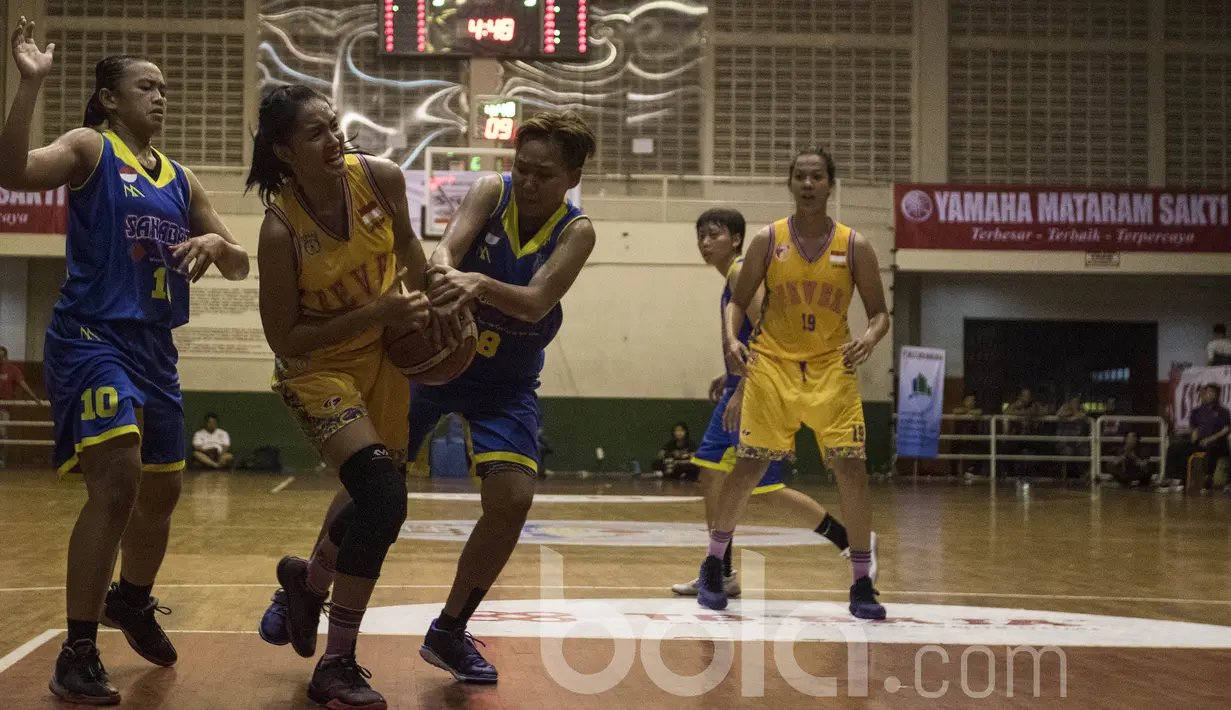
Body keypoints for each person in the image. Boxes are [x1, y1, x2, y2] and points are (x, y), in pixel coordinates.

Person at [0, 20, 250, 704]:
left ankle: (131, 599)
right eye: (146, 86)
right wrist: (29, 86)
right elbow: (12, 173)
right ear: (110, 99)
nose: (160, 96)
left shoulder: (181, 177)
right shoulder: (89, 147)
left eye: (164, 88)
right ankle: (77, 648)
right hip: (91, 336)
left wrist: (213, 242)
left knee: (162, 494)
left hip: (155, 348)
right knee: (117, 482)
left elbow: (238, 263)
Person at [245, 83, 430, 709]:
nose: (335, 139)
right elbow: (284, 335)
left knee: (369, 496)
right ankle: (337, 663)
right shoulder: (279, 231)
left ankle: (307, 580)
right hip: (317, 367)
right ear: (284, 151)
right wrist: (376, 310)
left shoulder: (380, 178)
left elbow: (409, 249)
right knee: (383, 494)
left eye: (335, 126)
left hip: (384, 358)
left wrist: (433, 305)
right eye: (316, 132)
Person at [408, 110, 597, 684]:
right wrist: (443, 277)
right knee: (374, 480)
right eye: (523, 168)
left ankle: (449, 629)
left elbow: (537, 301)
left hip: (507, 382)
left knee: (513, 499)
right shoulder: (492, 191)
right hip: (439, 360)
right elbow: (446, 252)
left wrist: (480, 285)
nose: (530, 181)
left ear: (571, 176)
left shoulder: (576, 231)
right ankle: (309, 584)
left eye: (544, 173)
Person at [696, 148, 890, 619]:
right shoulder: (768, 240)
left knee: (852, 470)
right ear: (790, 183)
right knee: (748, 467)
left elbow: (880, 312)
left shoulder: (854, 245)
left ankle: (862, 583)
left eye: (817, 176)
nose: (808, 184)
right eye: (800, 176)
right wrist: (731, 346)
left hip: (831, 366)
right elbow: (737, 305)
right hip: (772, 366)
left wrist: (869, 336)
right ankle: (714, 562)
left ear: (830, 184)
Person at [670, 207, 863, 599]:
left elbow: (768, 329)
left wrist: (742, 386)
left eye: (714, 234)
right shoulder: (735, 275)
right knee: (754, 485)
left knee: (715, 472)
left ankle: (721, 570)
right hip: (751, 384)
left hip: (756, 389)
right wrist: (731, 374)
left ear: (737, 239)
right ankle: (846, 540)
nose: (706, 242)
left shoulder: (742, 272)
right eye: (701, 236)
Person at [1, 345, 41, 469]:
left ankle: (1, 459)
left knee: (2, 434)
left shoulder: (12, 369)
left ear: (6, 357)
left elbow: (23, 384)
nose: (0, 359)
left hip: (4, 409)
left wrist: (35, 398)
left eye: (2, 356)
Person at [949, 394, 985, 477]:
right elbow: (955, 411)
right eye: (970, 400)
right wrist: (968, 411)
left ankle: (973, 471)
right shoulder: (960, 409)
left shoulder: (976, 410)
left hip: (972, 438)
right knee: (954, 450)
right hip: (959, 437)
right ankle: (952, 473)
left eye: (973, 400)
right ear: (964, 401)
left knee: (979, 448)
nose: (972, 402)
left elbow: (980, 412)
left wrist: (967, 412)